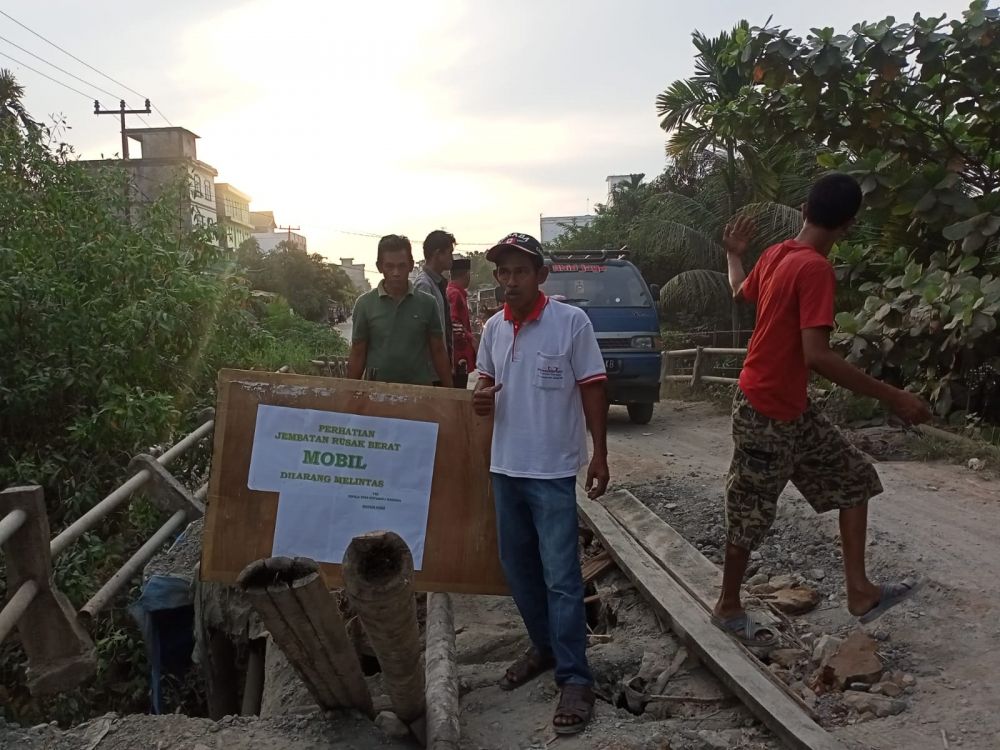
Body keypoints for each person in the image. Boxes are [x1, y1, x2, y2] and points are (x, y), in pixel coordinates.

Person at [714, 173, 931, 645]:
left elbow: (738, 291)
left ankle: (860, 592)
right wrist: (894, 396)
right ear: (849, 224)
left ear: (804, 209)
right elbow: (818, 354)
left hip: (790, 406)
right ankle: (728, 606)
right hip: (764, 409)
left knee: (855, 478)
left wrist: (734, 255)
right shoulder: (812, 268)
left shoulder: (776, 256)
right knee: (750, 510)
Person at [473, 232, 609, 736]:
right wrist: (481, 397)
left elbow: (593, 386)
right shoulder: (492, 328)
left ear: (540, 275)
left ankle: (576, 678)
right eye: (503, 273)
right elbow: (484, 384)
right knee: (518, 569)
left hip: (552, 469)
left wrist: (600, 454)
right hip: (505, 466)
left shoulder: (571, 323)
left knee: (561, 576)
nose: (510, 281)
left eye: (520, 272)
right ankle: (546, 648)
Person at [347, 234, 453, 387]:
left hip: (418, 395)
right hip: (376, 395)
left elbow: (438, 351)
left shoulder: (428, 303)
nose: (396, 273)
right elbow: (358, 353)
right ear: (379, 267)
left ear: (410, 265)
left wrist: (450, 394)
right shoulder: (364, 304)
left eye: (401, 266)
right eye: (389, 266)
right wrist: (349, 396)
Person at [414, 230, 456, 383]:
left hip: (439, 369)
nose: (451, 258)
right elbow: (424, 335)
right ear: (438, 254)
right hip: (431, 373)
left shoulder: (436, 283)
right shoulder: (424, 285)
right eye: (450, 253)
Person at [446, 257, 477, 389]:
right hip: (459, 357)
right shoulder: (454, 294)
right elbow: (453, 323)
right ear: (467, 274)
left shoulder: (455, 292)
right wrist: (471, 339)